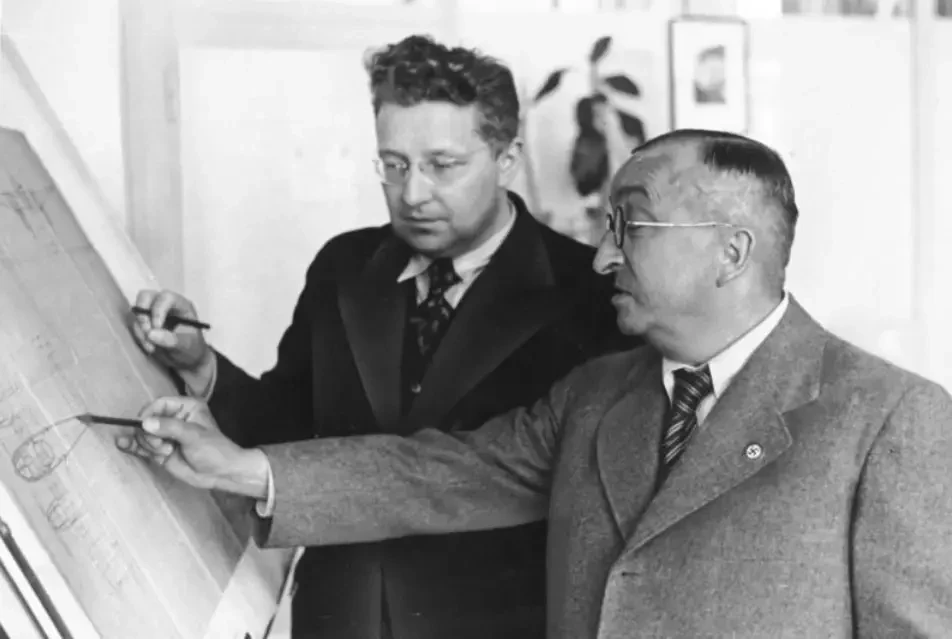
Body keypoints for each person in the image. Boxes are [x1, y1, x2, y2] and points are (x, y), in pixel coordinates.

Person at [120, 129, 952, 638]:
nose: (603, 256)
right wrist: (242, 467)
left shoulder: (891, 418)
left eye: (630, 225)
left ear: (731, 251)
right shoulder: (596, 394)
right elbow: (437, 473)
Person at [127, 34, 637, 639]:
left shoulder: (590, 294)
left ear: (507, 159)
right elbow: (285, 428)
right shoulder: (343, 267)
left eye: (443, 165)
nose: (413, 193)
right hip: (337, 620)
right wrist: (201, 365)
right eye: (393, 165)